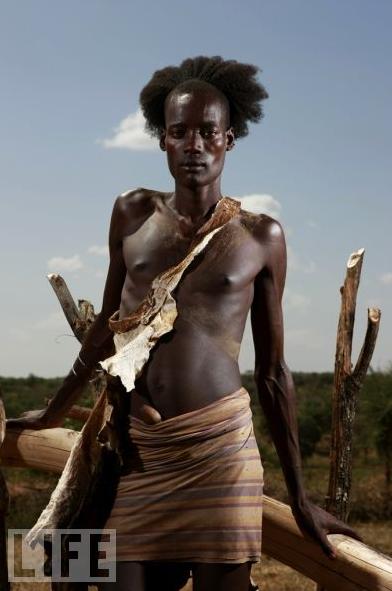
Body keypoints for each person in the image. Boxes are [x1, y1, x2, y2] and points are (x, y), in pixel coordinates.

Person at [8, 56, 359, 591]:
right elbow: (108, 322)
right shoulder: (132, 213)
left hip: (220, 453)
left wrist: (301, 497)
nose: (194, 143)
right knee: (73, 568)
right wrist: (54, 410)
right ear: (163, 141)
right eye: (179, 132)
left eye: (207, 131)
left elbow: (272, 373)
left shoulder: (261, 237)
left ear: (229, 140)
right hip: (141, 455)